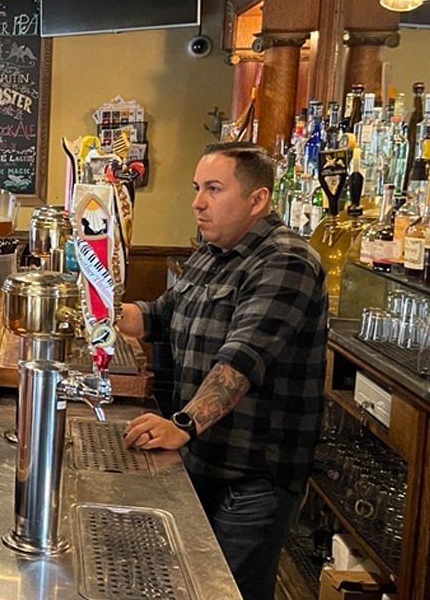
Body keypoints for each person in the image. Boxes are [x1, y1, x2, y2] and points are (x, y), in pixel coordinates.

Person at [118, 142, 327, 600]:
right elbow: (158, 315)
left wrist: (182, 424)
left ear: (258, 200)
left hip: (254, 475)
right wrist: (100, 310)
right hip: (205, 459)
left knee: (227, 591)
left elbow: (242, 361)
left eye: (214, 189)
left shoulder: (285, 261)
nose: (197, 201)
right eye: (197, 188)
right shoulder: (213, 252)